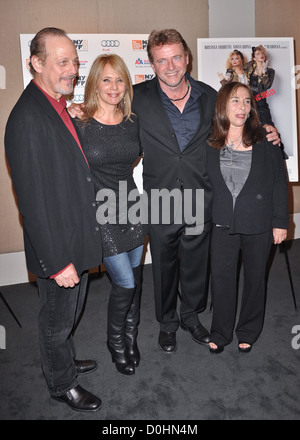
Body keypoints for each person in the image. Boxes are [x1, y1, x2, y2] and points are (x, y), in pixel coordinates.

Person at [68, 29, 281, 355]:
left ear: (187, 58)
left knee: (197, 264)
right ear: (152, 63)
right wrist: (79, 110)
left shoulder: (211, 97)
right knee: (164, 265)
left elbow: (242, 117)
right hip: (160, 198)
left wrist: (267, 129)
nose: (170, 66)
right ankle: (167, 324)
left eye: (176, 57)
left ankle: (190, 315)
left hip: (200, 196)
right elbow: (106, 109)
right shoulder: (136, 96)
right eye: (162, 60)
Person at [5, 28, 102, 412]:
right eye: (62, 62)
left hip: (73, 233)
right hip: (58, 245)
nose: (72, 70)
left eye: (74, 62)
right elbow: (31, 200)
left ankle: (63, 358)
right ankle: (61, 382)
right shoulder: (28, 117)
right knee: (55, 320)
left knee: (69, 312)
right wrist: (57, 260)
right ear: (36, 63)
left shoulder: (56, 106)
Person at [72, 54, 147, 375]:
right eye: (106, 79)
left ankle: (131, 337)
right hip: (100, 213)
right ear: (94, 84)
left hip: (131, 205)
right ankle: (115, 342)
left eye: (119, 79)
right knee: (125, 281)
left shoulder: (133, 121)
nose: (114, 86)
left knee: (136, 279)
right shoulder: (80, 122)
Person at [206, 82, 289, 354]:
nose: (242, 107)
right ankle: (220, 330)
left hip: (259, 223)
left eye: (246, 101)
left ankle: (249, 330)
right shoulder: (210, 141)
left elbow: (279, 181)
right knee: (221, 279)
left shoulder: (266, 138)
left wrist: (280, 221)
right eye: (235, 100)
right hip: (221, 223)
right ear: (223, 106)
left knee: (255, 279)